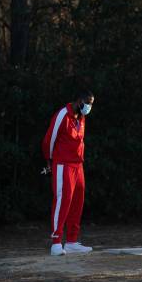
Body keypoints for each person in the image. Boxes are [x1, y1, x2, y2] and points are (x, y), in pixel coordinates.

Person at [41, 89, 94, 256]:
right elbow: (49, 140)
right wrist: (49, 161)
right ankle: (56, 241)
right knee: (62, 200)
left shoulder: (82, 118)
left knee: (78, 201)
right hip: (62, 164)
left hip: (78, 165)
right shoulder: (62, 115)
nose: (89, 107)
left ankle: (71, 241)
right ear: (79, 101)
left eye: (92, 104)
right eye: (88, 103)